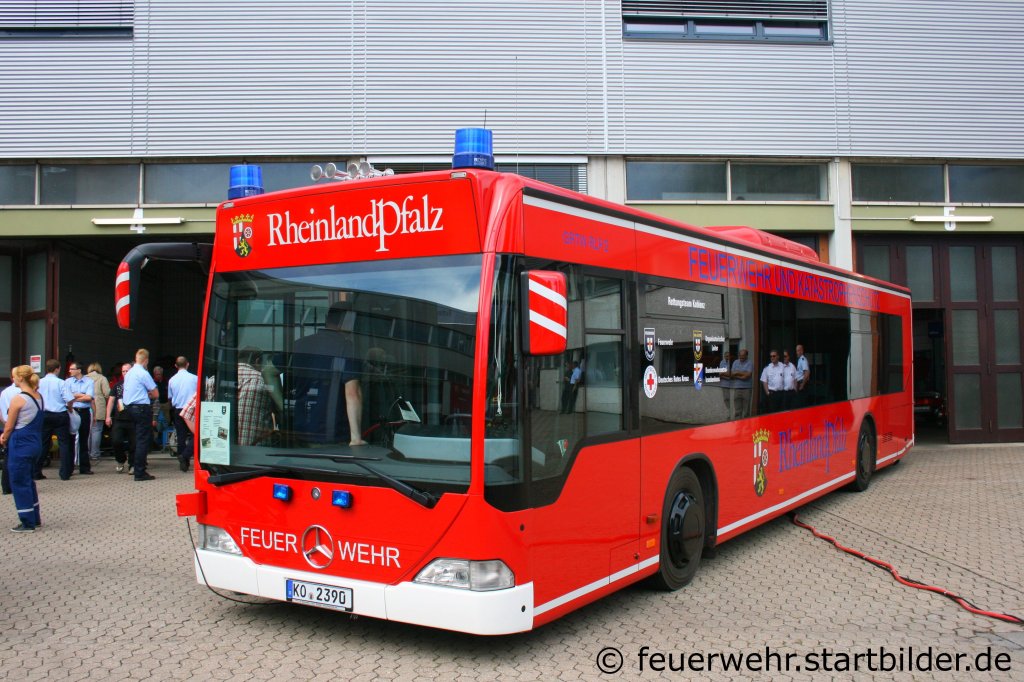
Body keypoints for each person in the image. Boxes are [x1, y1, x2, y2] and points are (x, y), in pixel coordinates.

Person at [290, 300, 366, 446]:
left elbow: (269, 372)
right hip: (331, 433)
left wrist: (281, 408)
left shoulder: (299, 344)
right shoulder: (347, 348)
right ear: (349, 322)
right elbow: (352, 393)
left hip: (299, 429)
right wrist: (356, 438)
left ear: (326, 319)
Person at [1, 366, 44, 532]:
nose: (12, 379)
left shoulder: (18, 399)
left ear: (20, 378)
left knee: (19, 481)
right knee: (29, 481)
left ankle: (27, 522)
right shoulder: (38, 396)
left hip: (20, 444)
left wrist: (3, 438)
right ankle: (35, 517)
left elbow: (9, 425)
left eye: (13, 376)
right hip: (35, 443)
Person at [122, 349, 159, 481]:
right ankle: (140, 472)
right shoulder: (143, 373)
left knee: (135, 439)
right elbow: (155, 394)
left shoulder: (129, 373)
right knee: (142, 440)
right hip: (142, 409)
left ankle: (133, 465)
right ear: (146, 361)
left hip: (129, 409)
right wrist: (148, 394)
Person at [38, 359, 73, 481]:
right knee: (64, 443)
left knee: (43, 443)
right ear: (57, 369)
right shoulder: (61, 383)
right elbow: (69, 399)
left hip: (44, 415)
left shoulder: (39, 382)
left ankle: (36, 471)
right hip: (60, 414)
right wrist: (70, 408)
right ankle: (65, 473)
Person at [236, 348, 276, 446]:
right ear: (257, 361)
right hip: (256, 452)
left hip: (222, 453)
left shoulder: (215, 378)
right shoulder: (265, 381)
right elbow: (280, 411)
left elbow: (191, 413)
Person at [64, 361, 95, 475]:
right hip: (72, 411)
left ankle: (85, 467)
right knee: (70, 439)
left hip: (84, 412)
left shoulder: (89, 381)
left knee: (84, 439)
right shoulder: (67, 382)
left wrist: (74, 396)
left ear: (79, 370)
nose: (70, 371)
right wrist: (81, 395)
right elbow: (66, 397)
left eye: (72, 369)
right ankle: (70, 467)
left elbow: (89, 397)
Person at [168, 356, 198, 471]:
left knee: (181, 435)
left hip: (178, 409)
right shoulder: (195, 378)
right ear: (188, 364)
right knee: (196, 434)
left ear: (176, 366)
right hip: (192, 409)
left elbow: (170, 397)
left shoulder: (171, 380)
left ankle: (183, 462)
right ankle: (185, 455)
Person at [105, 362, 135, 473]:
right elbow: (111, 400)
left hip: (133, 418)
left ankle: (133, 464)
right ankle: (120, 460)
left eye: (127, 371)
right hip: (119, 418)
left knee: (134, 443)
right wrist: (108, 416)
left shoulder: (137, 385)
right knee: (116, 441)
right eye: (123, 371)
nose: (125, 373)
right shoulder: (117, 385)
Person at [0, 379, 21, 495]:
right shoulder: (22, 394)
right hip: (18, 428)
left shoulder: (5, 392)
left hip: (8, 425)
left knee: (8, 457)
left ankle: (6, 487)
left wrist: (5, 425)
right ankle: (16, 485)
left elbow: (1, 412)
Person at [86, 363, 110, 462]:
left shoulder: (84, 378)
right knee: (96, 430)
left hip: (86, 405)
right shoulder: (102, 378)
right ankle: (95, 453)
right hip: (99, 406)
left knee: (87, 431)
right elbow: (107, 393)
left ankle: (85, 452)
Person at [730, 349, 754, 419]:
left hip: (747, 389)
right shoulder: (735, 362)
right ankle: (738, 427)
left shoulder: (749, 363)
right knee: (737, 410)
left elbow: (748, 375)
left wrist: (737, 372)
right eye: (740, 356)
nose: (741, 358)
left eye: (743, 356)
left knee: (746, 411)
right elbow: (732, 375)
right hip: (737, 388)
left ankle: (746, 427)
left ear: (746, 356)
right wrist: (742, 375)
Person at [718, 351, 734, 418]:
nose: (727, 357)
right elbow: (720, 374)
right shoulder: (722, 362)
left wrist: (727, 374)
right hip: (724, 384)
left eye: (728, 356)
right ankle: (729, 412)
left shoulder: (733, 362)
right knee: (726, 399)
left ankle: (732, 413)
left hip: (733, 384)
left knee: (733, 399)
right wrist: (728, 376)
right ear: (724, 357)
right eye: (726, 356)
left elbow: (733, 374)